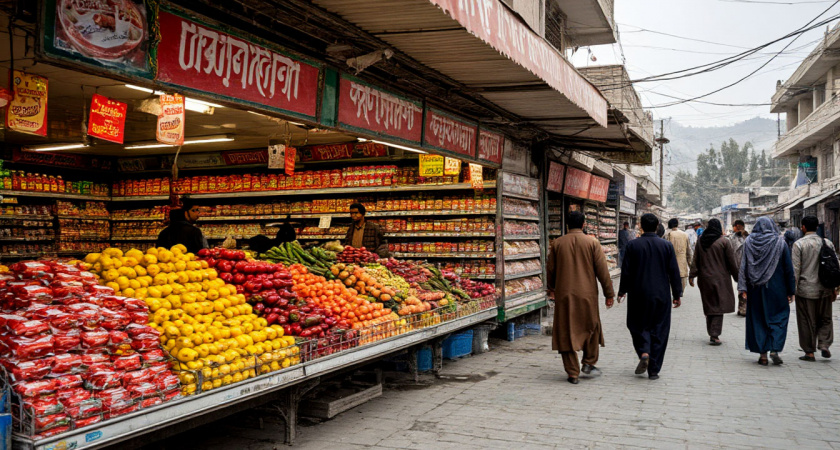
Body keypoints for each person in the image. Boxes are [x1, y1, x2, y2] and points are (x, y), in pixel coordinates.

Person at [546, 211, 615, 385]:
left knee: (566, 330)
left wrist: (551, 289)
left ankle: (572, 372)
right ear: (584, 224)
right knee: (592, 326)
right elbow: (602, 271)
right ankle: (589, 362)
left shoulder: (557, 244)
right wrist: (609, 294)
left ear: (567, 225)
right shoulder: (592, 242)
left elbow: (550, 270)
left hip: (565, 294)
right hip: (588, 295)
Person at [618, 213, 683, 380]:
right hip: (661, 294)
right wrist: (677, 294)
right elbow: (674, 272)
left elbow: (626, 272)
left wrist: (621, 291)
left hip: (638, 294)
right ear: (657, 227)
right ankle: (653, 370)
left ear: (640, 226)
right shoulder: (666, 246)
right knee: (660, 329)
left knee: (637, 325)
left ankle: (644, 352)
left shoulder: (633, 246)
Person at [738, 217, 795, 366]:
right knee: (779, 317)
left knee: (758, 319)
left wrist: (743, 287)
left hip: (755, 288)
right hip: (777, 289)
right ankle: (775, 349)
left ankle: (763, 355)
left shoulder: (749, 242)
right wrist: (791, 290)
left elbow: (743, 266)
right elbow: (789, 269)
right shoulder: (780, 243)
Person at [791, 215, 836, 362]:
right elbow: (835, 267)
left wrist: (792, 290)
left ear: (803, 227)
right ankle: (824, 344)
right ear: (817, 227)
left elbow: (795, 270)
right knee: (826, 318)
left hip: (805, 290)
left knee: (805, 320)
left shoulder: (799, 245)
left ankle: (809, 352)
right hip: (825, 289)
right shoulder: (827, 243)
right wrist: (835, 288)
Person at [688, 218, 739, 345]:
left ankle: (711, 331)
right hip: (720, 279)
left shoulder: (701, 241)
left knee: (710, 304)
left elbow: (696, 260)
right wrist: (738, 278)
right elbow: (731, 262)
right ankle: (714, 334)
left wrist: (692, 275)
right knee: (718, 306)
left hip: (704, 279)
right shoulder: (724, 242)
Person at [665, 218, 692, 292]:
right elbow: (689, 252)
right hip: (681, 267)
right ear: (677, 224)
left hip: (668, 268)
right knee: (679, 292)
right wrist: (691, 268)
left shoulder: (666, 234)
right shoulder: (685, 235)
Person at [729, 219, 750, 316]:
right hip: (749, 267)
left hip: (740, 266)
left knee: (742, 288)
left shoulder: (734, 238)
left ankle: (743, 309)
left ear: (737, 226)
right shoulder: (749, 237)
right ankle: (744, 309)